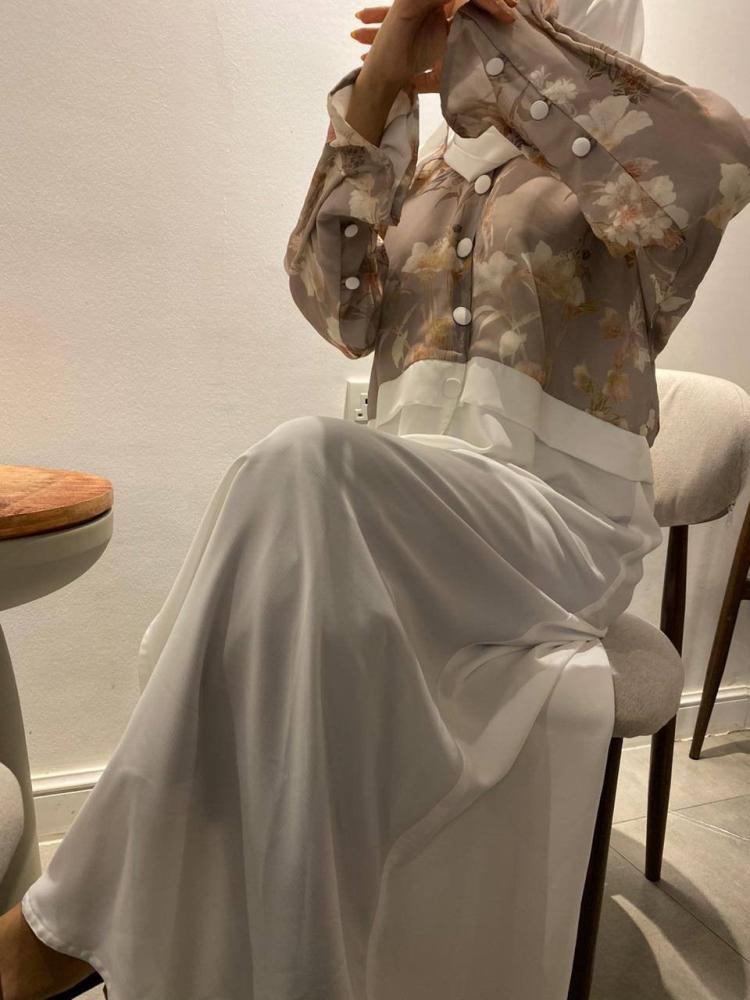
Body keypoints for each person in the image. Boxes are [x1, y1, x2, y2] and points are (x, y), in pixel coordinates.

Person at [2, 0, 749, 997]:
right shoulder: (428, 173)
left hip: (558, 529)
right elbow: (332, 303)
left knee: (300, 464)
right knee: (288, 503)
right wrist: (383, 83)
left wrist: (494, 43)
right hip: (400, 519)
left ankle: (71, 925)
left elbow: (722, 161)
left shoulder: (631, 160)